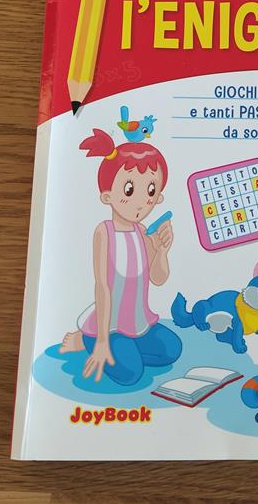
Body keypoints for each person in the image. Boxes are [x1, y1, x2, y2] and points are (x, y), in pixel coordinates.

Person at [59, 128, 182, 385]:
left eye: (150, 191)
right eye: (129, 190)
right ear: (107, 196)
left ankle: (127, 348)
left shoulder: (143, 233)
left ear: (158, 196)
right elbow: (103, 287)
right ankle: (87, 339)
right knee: (130, 375)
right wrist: (103, 341)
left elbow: (158, 278)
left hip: (139, 324)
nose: (141, 202)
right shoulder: (104, 233)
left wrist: (162, 251)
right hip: (109, 327)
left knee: (172, 350)